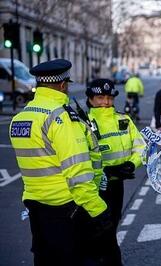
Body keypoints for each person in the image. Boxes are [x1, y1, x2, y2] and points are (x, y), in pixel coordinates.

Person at [9, 59, 111, 266]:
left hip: (35, 205)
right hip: (65, 208)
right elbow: (78, 172)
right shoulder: (61, 117)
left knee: (44, 258)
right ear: (63, 85)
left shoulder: (21, 117)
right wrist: (98, 210)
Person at [86, 78, 146, 266]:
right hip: (94, 187)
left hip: (116, 185)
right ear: (90, 99)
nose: (105, 102)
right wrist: (103, 169)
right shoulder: (84, 122)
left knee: (111, 225)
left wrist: (131, 164)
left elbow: (141, 147)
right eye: (100, 97)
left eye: (109, 98)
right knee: (97, 230)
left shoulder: (124, 119)